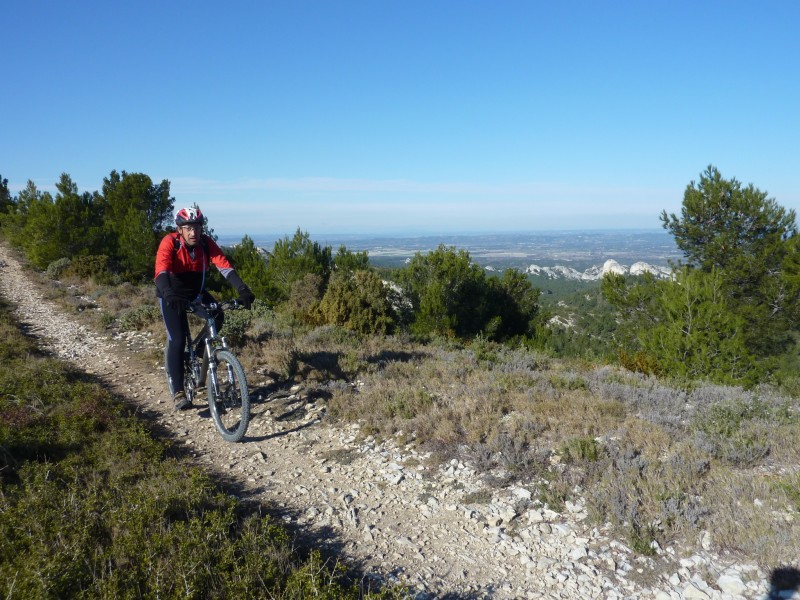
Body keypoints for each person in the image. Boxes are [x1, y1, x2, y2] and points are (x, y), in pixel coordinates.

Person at [154, 207, 255, 410]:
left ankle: (201, 349)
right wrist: (169, 293)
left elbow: (224, 265)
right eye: (188, 228)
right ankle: (179, 391)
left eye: (197, 228)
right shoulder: (170, 243)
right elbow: (161, 270)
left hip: (196, 293)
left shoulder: (206, 243)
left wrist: (242, 288)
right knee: (178, 338)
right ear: (180, 229)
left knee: (218, 314)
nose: (194, 233)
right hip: (171, 295)